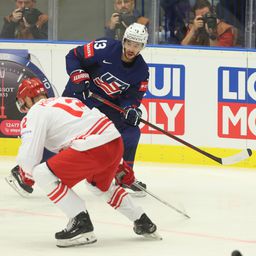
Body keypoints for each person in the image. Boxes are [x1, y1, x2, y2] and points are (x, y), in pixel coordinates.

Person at [7, 77, 161, 247]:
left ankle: (81, 223)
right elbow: (96, 126)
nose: (24, 107)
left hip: (92, 147)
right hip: (114, 142)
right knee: (100, 186)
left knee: (41, 173)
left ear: (28, 98)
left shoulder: (36, 111)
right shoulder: (68, 100)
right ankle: (143, 221)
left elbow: (29, 155)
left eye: (23, 102)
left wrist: (26, 175)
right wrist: (119, 165)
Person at [62, 22, 149, 196]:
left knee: (132, 131)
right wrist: (79, 76)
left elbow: (132, 97)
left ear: (143, 46)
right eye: (130, 42)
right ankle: (25, 172)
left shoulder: (142, 71)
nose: (132, 48)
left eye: (137, 45)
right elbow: (73, 56)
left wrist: (131, 109)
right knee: (61, 134)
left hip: (106, 107)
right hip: (80, 97)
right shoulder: (104, 47)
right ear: (124, 40)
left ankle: (123, 176)